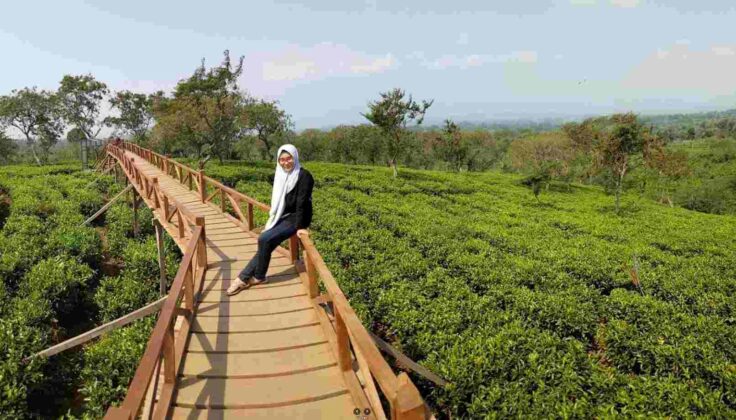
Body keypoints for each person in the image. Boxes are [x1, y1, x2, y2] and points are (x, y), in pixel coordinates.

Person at [227, 144, 314, 296]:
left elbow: (302, 202)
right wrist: (275, 216)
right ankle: (255, 276)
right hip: (283, 216)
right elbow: (279, 199)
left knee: (264, 239)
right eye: (282, 160)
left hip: (297, 218)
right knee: (267, 243)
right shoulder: (281, 174)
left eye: (289, 159)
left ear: (295, 158)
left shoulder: (304, 175)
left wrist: (300, 226)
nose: (285, 162)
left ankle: (246, 278)